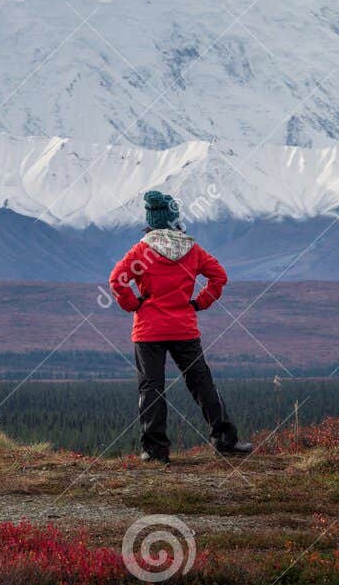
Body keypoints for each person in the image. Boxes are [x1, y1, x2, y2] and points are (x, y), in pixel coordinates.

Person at [108, 190, 253, 463]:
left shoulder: (142, 252)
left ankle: (155, 451)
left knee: (151, 387)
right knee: (201, 383)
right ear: (174, 219)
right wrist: (199, 303)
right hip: (184, 328)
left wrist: (133, 305)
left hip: (149, 330)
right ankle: (225, 440)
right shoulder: (192, 249)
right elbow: (219, 276)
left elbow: (117, 280)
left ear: (150, 220)